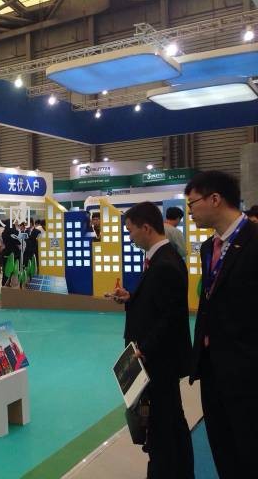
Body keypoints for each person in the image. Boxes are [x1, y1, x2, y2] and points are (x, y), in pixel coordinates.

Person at [109, 201, 194, 478]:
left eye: (131, 231)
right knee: (171, 422)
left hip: (159, 361)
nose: (130, 238)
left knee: (163, 426)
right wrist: (131, 298)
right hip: (160, 358)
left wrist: (143, 349)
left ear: (146, 228)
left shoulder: (164, 264)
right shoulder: (162, 260)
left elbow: (169, 318)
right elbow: (159, 304)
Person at [185, 171, 258, 478]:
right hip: (212, 368)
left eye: (193, 203)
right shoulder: (208, 248)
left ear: (215, 199)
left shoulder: (254, 241)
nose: (190, 211)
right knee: (223, 448)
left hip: (247, 371)